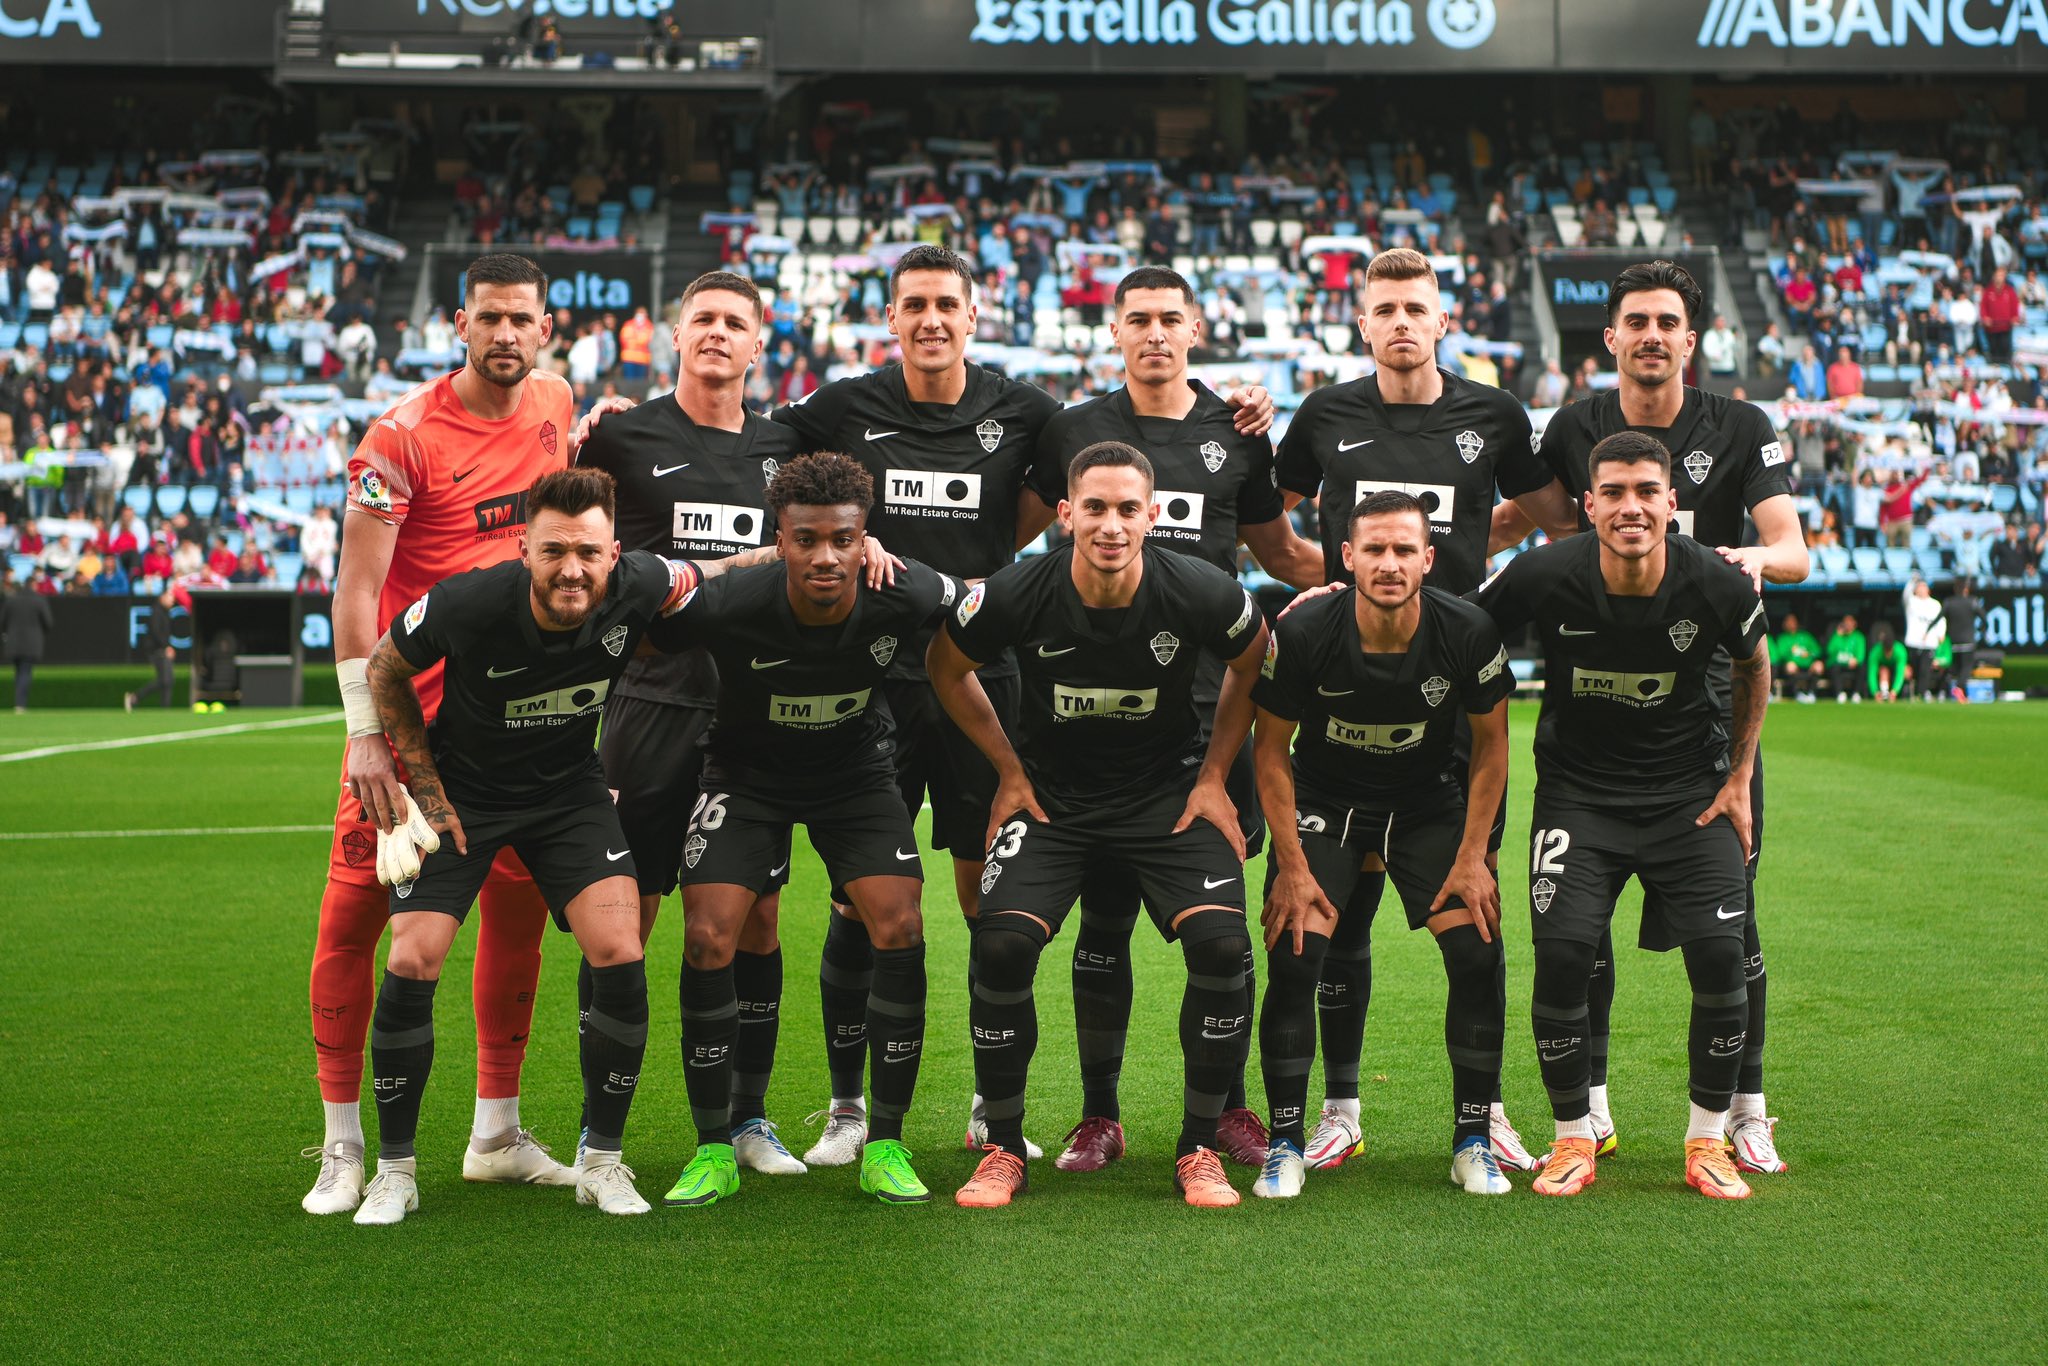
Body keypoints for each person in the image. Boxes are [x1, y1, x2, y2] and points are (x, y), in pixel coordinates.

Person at [770, 241, 1273, 1164]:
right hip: (883, 677)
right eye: (912, 303)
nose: (930, 319)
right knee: (861, 899)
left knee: (997, 900)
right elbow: (752, 450)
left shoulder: (1039, 414)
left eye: (945, 304)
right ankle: (860, 1109)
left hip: (1109, 706)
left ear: (973, 314)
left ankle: (1034, 1107)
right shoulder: (850, 406)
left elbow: (1261, 562)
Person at [1498, 259, 1807, 1174]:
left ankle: (1745, 1108)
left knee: (1732, 928)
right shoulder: (1575, 428)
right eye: (1635, 321)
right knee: (1576, 936)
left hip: (1706, 701)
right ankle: (1584, 1111)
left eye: (1667, 322)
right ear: (1611, 337)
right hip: (1595, 693)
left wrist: (1713, 557)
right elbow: (1525, 522)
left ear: (1690, 337)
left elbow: (1791, 552)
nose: (1651, 336)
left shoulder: (1741, 426)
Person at [1275, 246, 1579, 1175]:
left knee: (1469, 917)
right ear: (1361, 324)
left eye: (1417, 307)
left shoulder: (1493, 413)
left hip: (1450, 684)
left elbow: (1553, 515)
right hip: (1343, 676)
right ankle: (1339, 1110)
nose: (1401, 322)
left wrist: (1476, 553)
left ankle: (1482, 1118)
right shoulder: (1326, 415)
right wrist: (1313, 587)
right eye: (1385, 309)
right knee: (1338, 920)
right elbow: (1264, 515)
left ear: (1444, 320)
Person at [351, 466, 721, 1224]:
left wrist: (783, 555)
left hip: (567, 795)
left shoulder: (641, 583)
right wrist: (420, 784)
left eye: (588, 552)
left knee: (620, 948)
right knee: (412, 956)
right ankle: (394, 1171)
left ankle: (602, 1163)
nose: (571, 569)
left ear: (614, 553)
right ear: (524, 547)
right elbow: (387, 664)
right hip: (466, 795)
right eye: (554, 551)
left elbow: (715, 573)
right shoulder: (469, 600)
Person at [305, 254, 591, 1217]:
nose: (506, 335)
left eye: (523, 319)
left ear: (545, 328)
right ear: (459, 324)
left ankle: (495, 1133)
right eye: (489, 319)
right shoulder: (399, 440)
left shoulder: (556, 402)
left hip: (513, 724)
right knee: (356, 919)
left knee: (516, 921)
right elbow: (353, 596)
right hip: (408, 724)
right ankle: (345, 1147)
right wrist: (365, 737)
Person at [1032, 267, 1322, 1172]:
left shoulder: (1236, 433)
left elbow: (1279, 553)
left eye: (1170, 320)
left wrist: (1391, 573)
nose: (1155, 334)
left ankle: (1229, 1107)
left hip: (1213, 718)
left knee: (1221, 923)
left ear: (1196, 328)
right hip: (1094, 715)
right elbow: (1011, 545)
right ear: (1112, 333)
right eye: (1137, 321)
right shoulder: (1073, 430)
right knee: (1104, 919)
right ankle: (1098, 1114)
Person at [929, 441, 1269, 1208]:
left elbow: (1255, 661)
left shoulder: (1202, 590)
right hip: (1055, 802)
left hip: (1168, 797)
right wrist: (1008, 769)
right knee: (1003, 943)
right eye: (1094, 508)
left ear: (1154, 515)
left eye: (1126, 510)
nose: (1110, 525)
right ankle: (1005, 1151)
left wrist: (1216, 774)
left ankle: (1197, 1148)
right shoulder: (1018, 592)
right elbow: (946, 667)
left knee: (1221, 946)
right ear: (1064, 513)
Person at [654, 454, 961, 1209]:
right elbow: (637, 604)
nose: (825, 556)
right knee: (708, 938)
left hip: (854, 777)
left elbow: (990, 607)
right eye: (806, 540)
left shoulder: (905, 589)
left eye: (843, 539)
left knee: (899, 923)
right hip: (745, 778)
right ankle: (713, 1148)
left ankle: (883, 1141)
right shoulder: (731, 601)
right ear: (779, 540)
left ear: (867, 540)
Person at [1472, 430, 1771, 1201]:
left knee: (1718, 957)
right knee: (1565, 958)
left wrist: (1739, 777)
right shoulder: (1543, 573)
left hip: (1689, 801)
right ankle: (1574, 1139)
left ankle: (1708, 1141)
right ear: (1588, 504)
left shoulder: (1717, 583)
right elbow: (1465, 635)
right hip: (1579, 799)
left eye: (1646, 492)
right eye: (1614, 493)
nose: (1631, 507)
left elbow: (1753, 665)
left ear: (1673, 504)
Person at [573, 270, 811, 1176]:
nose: (718, 333)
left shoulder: (788, 443)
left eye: (735, 323)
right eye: (702, 320)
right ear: (675, 336)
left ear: (760, 344)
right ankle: (605, 1136)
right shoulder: (622, 435)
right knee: (625, 922)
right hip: (648, 704)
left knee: (751, 924)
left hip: (750, 713)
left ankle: (746, 1121)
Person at [1252, 490, 1514, 1199]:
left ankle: (1472, 1140)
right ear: (1347, 556)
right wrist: (1292, 866)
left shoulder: (1468, 630)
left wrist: (1473, 855)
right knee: (1295, 947)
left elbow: (1492, 750)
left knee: (1477, 948)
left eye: (1404, 550)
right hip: (1326, 804)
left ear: (1429, 558)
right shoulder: (1304, 632)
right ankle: (1284, 1144)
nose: (1390, 564)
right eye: (1375, 549)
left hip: (1426, 804)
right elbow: (1269, 752)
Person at [0, 581, 52, 712]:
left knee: (19, 672)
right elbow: (48, 622)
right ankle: (20, 704)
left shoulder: (11, 601)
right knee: (25, 672)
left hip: (13, 643)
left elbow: (2, 622)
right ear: (33, 586)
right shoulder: (39, 601)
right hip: (31, 644)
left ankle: (19, 703)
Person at [124, 587, 179, 711]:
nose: (172, 601)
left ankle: (163, 707)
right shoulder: (156, 612)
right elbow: (156, 632)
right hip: (158, 651)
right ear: (162, 597)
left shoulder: (164, 612)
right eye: (170, 597)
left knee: (167, 681)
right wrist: (166, 647)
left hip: (161, 650)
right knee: (164, 680)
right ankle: (135, 697)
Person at [1902, 578, 1946, 700]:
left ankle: (1923, 692)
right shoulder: (1911, 602)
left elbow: (1941, 620)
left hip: (1929, 642)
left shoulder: (1935, 604)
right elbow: (1905, 594)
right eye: (1919, 587)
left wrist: (1941, 633)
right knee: (1912, 669)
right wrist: (1912, 581)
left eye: (1924, 586)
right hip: (1913, 641)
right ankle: (1910, 692)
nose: (1922, 589)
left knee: (1925, 669)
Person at [1769, 612, 1822, 701]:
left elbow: (1817, 651)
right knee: (1790, 666)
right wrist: (1791, 653)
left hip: (1808, 665)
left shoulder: (1806, 636)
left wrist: (1809, 654)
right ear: (1784, 624)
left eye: (1793, 621)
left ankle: (1811, 693)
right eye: (1788, 622)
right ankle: (1797, 694)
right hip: (1792, 666)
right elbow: (1780, 655)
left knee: (1818, 665)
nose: (1791, 623)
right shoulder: (1782, 638)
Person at [1942, 578, 1979, 701]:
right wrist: (1982, 631)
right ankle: (1958, 687)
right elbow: (1984, 619)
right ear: (1966, 589)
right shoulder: (1972, 601)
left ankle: (1963, 695)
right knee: (1966, 668)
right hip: (1968, 640)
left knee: (1957, 669)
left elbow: (1939, 618)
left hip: (1954, 641)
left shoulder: (1948, 602)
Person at [1825, 615, 1866, 701]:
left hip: (1852, 664)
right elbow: (1829, 651)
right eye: (1845, 622)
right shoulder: (1838, 636)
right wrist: (1837, 635)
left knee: (1862, 667)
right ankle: (1840, 693)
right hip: (1839, 664)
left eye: (1849, 622)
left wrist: (1856, 660)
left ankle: (1856, 693)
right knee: (1835, 668)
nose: (1847, 624)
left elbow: (1861, 655)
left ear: (1854, 624)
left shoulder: (1859, 637)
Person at [1868, 622, 1909, 701]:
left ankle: (1902, 695)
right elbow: (1872, 673)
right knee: (1884, 670)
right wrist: (1875, 692)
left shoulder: (1900, 651)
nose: (1887, 655)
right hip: (1882, 670)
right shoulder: (1875, 652)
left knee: (1906, 671)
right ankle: (1884, 694)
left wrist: (1895, 691)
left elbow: (1900, 672)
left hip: (1895, 668)